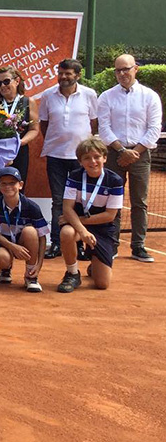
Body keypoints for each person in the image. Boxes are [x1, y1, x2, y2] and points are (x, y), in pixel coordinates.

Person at [97, 54, 162, 263]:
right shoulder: (106, 96)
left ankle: (138, 246)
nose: (122, 74)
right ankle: (111, 244)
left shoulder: (150, 96)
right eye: (118, 70)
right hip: (114, 153)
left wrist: (136, 152)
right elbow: (104, 128)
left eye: (126, 69)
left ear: (136, 69)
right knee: (112, 201)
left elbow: (154, 128)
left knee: (139, 201)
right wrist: (121, 150)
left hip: (141, 155)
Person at [39, 58, 98, 259]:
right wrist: (58, 140)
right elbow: (44, 125)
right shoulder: (48, 96)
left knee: (79, 202)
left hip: (80, 158)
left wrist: (83, 148)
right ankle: (56, 242)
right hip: (55, 155)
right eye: (61, 73)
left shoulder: (89, 95)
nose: (63, 77)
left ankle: (78, 243)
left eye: (68, 74)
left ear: (77, 75)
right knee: (58, 200)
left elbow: (94, 123)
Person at [57, 136, 124, 293]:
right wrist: (82, 231)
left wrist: (79, 221)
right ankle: (72, 273)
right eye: (87, 158)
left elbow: (109, 216)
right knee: (66, 232)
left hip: (102, 227)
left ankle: (94, 265)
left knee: (102, 284)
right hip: (77, 227)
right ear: (80, 162)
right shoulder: (74, 176)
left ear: (105, 158)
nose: (92, 161)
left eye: (97, 157)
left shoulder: (115, 181)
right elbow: (67, 208)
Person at [0, 66, 39, 193]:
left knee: (16, 189)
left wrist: (20, 142)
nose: (3, 86)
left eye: (6, 81)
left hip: (18, 152)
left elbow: (34, 129)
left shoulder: (28, 102)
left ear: (17, 81)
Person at [0, 167, 49, 292]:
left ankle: (31, 276)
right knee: (2, 257)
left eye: (12, 183)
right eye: (4, 183)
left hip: (24, 242)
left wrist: (39, 265)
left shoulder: (32, 207)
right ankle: (5, 269)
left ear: (20, 185)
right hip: (4, 245)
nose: (8, 186)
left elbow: (42, 237)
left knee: (31, 231)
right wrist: (13, 247)